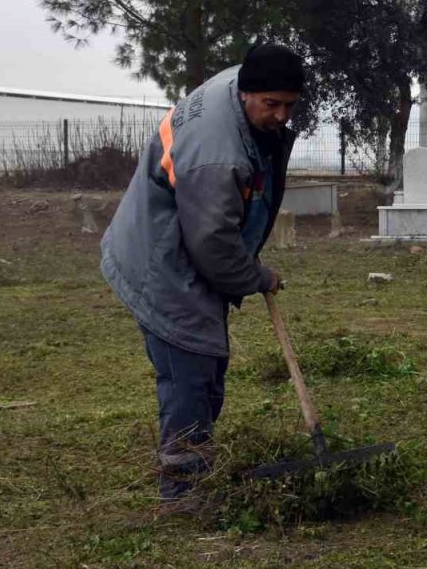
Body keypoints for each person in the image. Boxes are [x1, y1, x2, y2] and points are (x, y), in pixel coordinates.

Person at [101, 43, 304, 503]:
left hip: (176, 237)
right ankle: (184, 489)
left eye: (289, 105)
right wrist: (256, 276)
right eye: (271, 105)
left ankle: (198, 465)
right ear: (247, 93)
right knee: (190, 370)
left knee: (207, 364)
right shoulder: (218, 154)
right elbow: (212, 243)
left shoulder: (238, 84)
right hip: (161, 259)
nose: (280, 115)